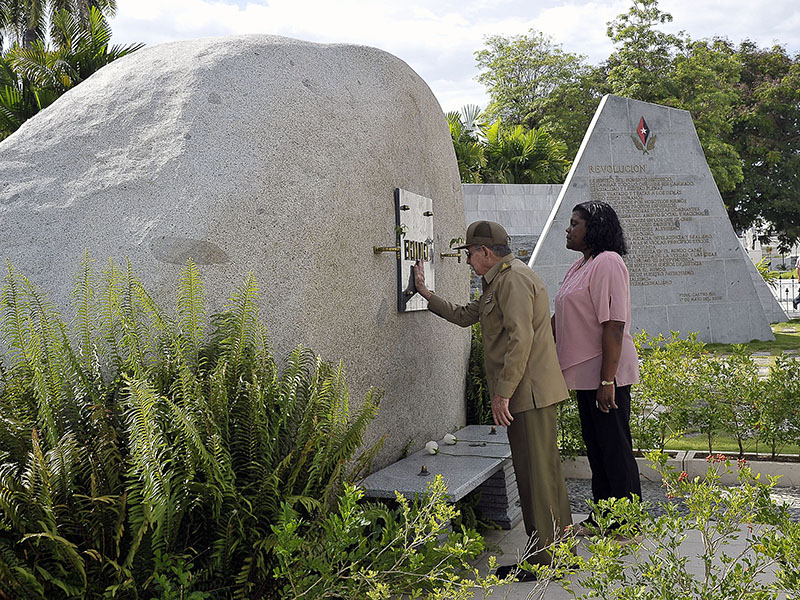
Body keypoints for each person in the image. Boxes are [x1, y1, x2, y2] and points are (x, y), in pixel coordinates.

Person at [413, 220, 572, 579]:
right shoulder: (502, 278)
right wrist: (424, 292)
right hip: (530, 392)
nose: (468, 261)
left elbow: (521, 339)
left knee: (535, 478)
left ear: (485, 252)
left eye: (470, 254)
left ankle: (544, 562)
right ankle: (560, 553)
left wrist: (503, 393)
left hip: (526, 393)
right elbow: (465, 315)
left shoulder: (513, 279)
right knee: (544, 474)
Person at [552, 201, 640, 536]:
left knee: (615, 449)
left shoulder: (608, 263)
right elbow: (561, 319)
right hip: (586, 376)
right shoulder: (579, 266)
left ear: (594, 229)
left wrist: (608, 380)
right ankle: (602, 518)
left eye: (575, 223)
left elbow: (614, 325)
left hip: (606, 374)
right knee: (598, 449)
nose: (568, 229)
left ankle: (626, 524)